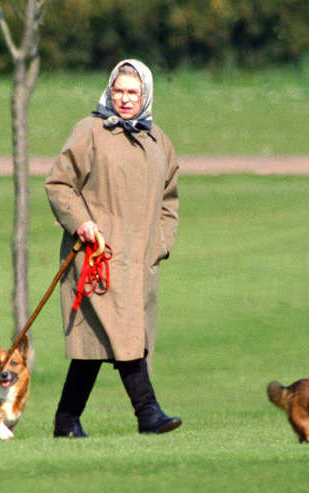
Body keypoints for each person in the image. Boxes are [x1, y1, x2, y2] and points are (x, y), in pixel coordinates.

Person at [45, 59, 181, 437]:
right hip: (96, 259)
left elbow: (170, 199)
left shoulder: (159, 142)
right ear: (109, 90)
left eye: (132, 92)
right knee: (125, 335)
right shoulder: (89, 131)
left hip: (141, 263)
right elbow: (59, 184)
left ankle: (66, 421)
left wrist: (162, 244)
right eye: (118, 90)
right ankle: (148, 414)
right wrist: (81, 222)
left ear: (145, 95)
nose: (124, 99)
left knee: (97, 345)